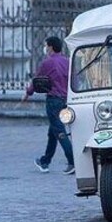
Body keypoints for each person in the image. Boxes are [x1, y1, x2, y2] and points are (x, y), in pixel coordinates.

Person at [23, 35, 75, 175]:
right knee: (53, 131)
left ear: (51, 47)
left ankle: (73, 161)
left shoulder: (48, 63)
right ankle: (45, 161)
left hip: (53, 100)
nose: (45, 48)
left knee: (59, 131)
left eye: (46, 45)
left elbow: (36, 81)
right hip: (66, 100)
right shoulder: (68, 61)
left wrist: (28, 93)